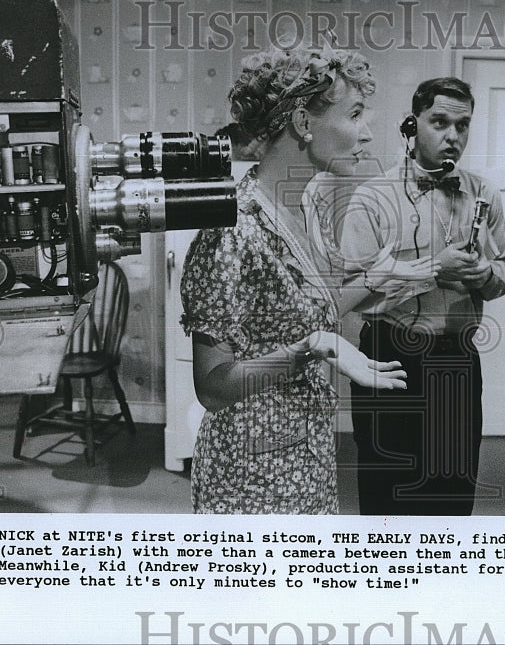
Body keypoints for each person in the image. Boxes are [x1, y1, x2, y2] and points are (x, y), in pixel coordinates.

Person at [181, 44, 429, 514]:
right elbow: (212, 387)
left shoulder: (308, 202)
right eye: (355, 115)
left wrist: (378, 275)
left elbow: (318, 305)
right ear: (302, 123)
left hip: (307, 452)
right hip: (251, 472)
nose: (367, 133)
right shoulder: (232, 230)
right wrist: (310, 347)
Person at [339, 77, 505, 515]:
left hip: (456, 361)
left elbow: (504, 273)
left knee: (452, 495)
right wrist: (433, 270)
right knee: (385, 494)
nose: (453, 136)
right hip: (388, 359)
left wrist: (482, 274)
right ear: (412, 124)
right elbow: (349, 296)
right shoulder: (372, 198)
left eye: (463, 125)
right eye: (439, 122)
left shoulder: (484, 195)